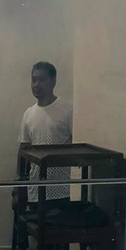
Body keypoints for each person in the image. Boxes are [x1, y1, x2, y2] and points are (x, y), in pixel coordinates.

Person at [18, 61, 73, 203]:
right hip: (35, 190)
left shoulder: (68, 109)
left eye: (41, 80)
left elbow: (77, 147)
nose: (36, 84)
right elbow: (24, 151)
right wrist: (18, 190)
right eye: (34, 80)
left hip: (63, 190)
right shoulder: (28, 114)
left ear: (53, 82)